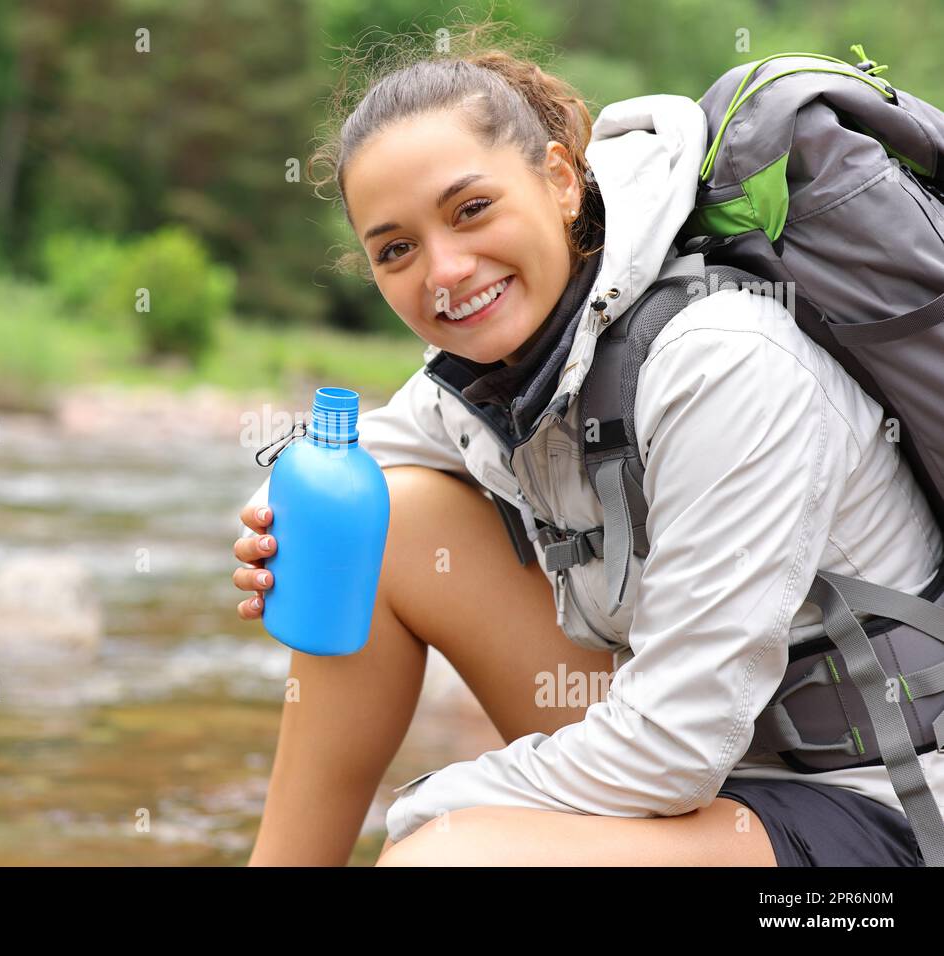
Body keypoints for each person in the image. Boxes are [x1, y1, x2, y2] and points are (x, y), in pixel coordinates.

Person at [231, 30, 943, 867]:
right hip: (715, 772)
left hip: (878, 806)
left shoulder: (722, 362)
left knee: (447, 859)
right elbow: (355, 462)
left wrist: (431, 810)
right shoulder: (496, 370)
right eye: (397, 249)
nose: (445, 270)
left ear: (563, 181)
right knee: (388, 521)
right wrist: (278, 520)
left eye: (471, 210)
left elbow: (672, 752)